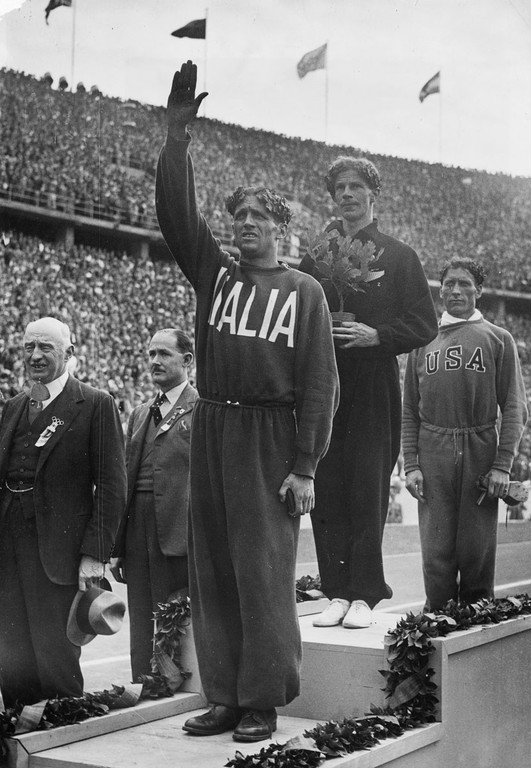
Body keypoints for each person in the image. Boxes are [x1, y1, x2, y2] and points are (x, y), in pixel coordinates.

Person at [155, 61, 339, 742]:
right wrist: (177, 141)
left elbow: (321, 381)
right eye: (240, 217)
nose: (247, 226)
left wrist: (307, 465)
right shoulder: (216, 276)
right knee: (214, 567)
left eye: (260, 217)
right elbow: (176, 217)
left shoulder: (305, 292)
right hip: (214, 423)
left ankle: (264, 697)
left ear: (282, 228)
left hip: (269, 436)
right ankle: (226, 693)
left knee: (262, 571)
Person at [298, 156, 437, 629]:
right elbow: (296, 311)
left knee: (367, 486)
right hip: (325, 383)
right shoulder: (316, 256)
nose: (347, 194)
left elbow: (425, 323)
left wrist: (377, 335)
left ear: (373, 194)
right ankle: (336, 591)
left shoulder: (399, 256)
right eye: (340, 187)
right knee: (328, 484)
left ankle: (364, 593)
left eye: (356, 186)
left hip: (375, 384)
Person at [0, 317, 126, 706]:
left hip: (60, 551)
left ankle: (63, 728)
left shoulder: (95, 403)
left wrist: (95, 554)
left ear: (69, 354)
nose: (35, 356)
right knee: (11, 651)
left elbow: (111, 486)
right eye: (28, 348)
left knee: (56, 653)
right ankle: (20, 738)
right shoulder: (13, 407)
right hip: (8, 548)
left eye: (46, 348)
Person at [402, 258, 528, 610]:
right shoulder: (421, 341)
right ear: (439, 290)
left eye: (464, 284)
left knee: (476, 551)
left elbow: (515, 408)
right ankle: (438, 626)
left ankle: (475, 632)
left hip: (480, 447)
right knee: (436, 550)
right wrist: (410, 464)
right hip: (432, 448)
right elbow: (409, 410)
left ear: (479, 291)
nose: (455, 290)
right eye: (448, 284)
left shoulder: (498, 339)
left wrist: (502, 466)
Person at [110, 328, 198, 681]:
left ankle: (171, 684)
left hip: (178, 526)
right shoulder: (140, 412)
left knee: (171, 613)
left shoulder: (202, 408)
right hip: (138, 527)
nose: (154, 362)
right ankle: (141, 682)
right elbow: (126, 481)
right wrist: (118, 545)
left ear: (187, 360)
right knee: (141, 614)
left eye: (163, 354)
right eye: (150, 355)